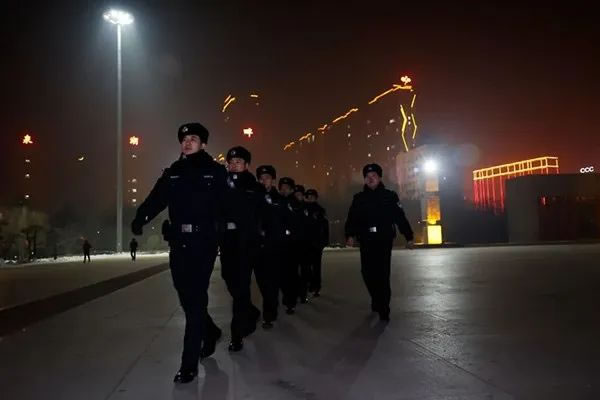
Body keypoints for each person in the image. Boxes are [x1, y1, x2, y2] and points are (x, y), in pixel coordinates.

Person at [131, 122, 226, 384]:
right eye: (184, 139)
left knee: (196, 298)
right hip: (179, 243)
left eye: (193, 138)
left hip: (204, 243)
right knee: (186, 297)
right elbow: (156, 199)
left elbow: (227, 205)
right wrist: (141, 218)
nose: (187, 142)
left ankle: (188, 364)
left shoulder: (215, 172)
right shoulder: (173, 173)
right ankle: (210, 330)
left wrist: (226, 234)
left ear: (203, 144)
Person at [344, 163, 414, 322]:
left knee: (382, 274)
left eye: (374, 176)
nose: (370, 179)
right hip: (366, 240)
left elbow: (400, 217)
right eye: (367, 177)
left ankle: (384, 307)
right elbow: (352, 218)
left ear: (380, 178)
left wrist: (408, 236)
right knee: (367, 273)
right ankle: (376, 298)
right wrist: (350, 235)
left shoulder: (389, 196)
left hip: (383, 239)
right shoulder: (359, 198)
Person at [220, 146, 262, 352]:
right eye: (231, 162)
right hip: (227, 241)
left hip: (246, 243)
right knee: (229, 279)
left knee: (242, 285)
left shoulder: (254, 187)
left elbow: (260, 215)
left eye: (239, 162)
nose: (234, 165)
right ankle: (250, 311)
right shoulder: (221, 184)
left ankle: (237, 334)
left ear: (247, 165)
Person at [256, 166, 293, 318]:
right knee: (263, 281)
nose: (264, 181)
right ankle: (271, 304)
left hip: (277, 245)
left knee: (278, 278)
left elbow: (289, 221)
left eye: (267, 178)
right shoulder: (254, 198)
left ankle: (271, 312)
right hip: (258, 246)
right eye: (261, 178)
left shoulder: (281, 200)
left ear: (273, 180)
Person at [304, 189, 329, 297]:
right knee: (306, 266)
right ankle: (311, 284)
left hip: (316, 242)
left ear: (316, 197)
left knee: (316, 266)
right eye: (308, 197)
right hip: (306, 242)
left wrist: (324, 241)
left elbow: (325, 226)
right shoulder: (303, 209)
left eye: (312, 197)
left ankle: (316, 286)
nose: (310, 198)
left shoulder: (320, 210)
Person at [292, 184, 311, 304]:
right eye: (296, 194)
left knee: (305, 270)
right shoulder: (290, 207)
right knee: (293, 271)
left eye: (300, 194)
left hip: (305, 244)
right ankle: (296, 292)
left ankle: (303, 293)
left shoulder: (307, 207)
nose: (298, 196)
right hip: (293, 244)